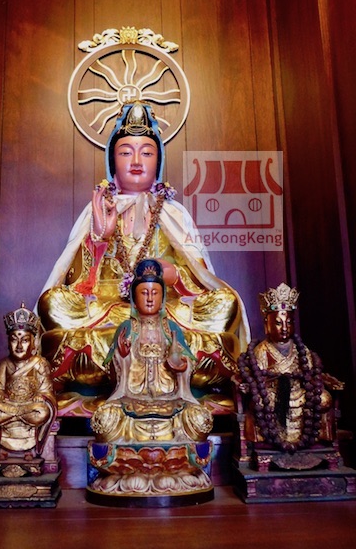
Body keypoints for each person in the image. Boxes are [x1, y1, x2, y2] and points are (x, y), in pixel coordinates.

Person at [37, 101, 250, 415]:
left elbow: (202, 279)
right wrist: (100, 238)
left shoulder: (174, 213)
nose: (136, 161)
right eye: (126, 153)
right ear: (113, 161)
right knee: (53, 303)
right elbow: (77, 284)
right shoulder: (97, 210)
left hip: (168, 312)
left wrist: (175, 276)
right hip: (109, 312)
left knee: (224, 304)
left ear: (158, 161)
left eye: (147, 153)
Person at [90, 259, 213, 443]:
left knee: (198, 419)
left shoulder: (171, 328)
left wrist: (181, 366)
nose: (149, 298)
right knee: (106, 419)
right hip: (131, 398)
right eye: (144, 293)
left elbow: (188, 362)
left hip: (170, 399)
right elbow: (112, 376)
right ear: (134, 299)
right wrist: (122, 357)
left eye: (155, 293)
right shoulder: (126, 328)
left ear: (162, 299)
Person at [237, 283, 343, 452]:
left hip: (300, 392)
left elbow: (310, 373)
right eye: (278, 323)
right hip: (272, 394)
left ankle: (318, 439)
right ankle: (271, 441)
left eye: (289, 322)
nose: (285, 328)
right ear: (267, 325)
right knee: (260, 402)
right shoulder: (262, 350)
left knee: (324, 399)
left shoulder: (301, 349)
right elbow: (258, 378)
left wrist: (317, 381)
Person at [0, 303, 57, 458]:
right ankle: (9, 436)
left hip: (29, 406)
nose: (19, 346)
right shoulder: (4, 364)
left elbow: (47, 391)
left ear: (33, 343)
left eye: (25, 340)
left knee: (42, 410)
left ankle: (26, 441)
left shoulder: (40, 364)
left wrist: (41, 396)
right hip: (10, 405)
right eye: (14, 340)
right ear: (8, 343)